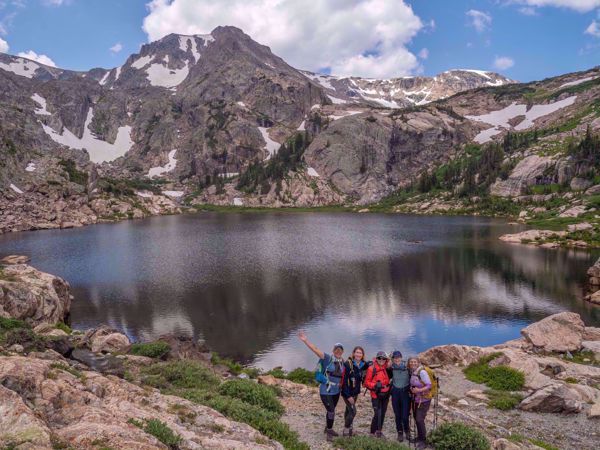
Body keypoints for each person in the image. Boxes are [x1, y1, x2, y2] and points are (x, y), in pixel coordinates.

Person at [298, 331, 346, 440]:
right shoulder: (327, 358)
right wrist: (305, 341)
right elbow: (315, 349)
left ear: (342, 352)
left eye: (340, 350)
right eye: (336, 349)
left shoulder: (342, 361)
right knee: (331, 411)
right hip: (326, 390)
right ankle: (329, 431)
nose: (338, 351)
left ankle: (328, 427)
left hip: (336, 391)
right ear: (333, 351)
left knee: (331, 411)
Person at [341, 346, 369, 437]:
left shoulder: (363, 364)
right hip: (347, 392)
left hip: (355, 392)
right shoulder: (347, 364)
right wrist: (348, 396)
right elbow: (344, 382)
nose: (358, 354)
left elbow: (371, 366)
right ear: (353, 353)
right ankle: (346, 429)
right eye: (357, 352)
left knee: (348, 410)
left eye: (360, 353)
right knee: (353, 411)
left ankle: (349, 427)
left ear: (362, 355)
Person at [364, 350, 391, 438]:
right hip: (376, 395)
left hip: (386, 394)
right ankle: (372, 432)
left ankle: (379, 431)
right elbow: (366, 383)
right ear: (376, 358)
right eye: (379, 358)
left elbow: (391, 362)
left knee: (383, 413)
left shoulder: (385, 367)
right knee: (377, 414)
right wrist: (375, 385)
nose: (381, 360)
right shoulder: (371, 369)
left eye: (383, 358)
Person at [409, 356, 432, 449]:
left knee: (419, 419)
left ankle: (423, 441)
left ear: (418, 363)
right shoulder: (413, 372)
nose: (413, 363)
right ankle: (419, 437)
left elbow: (429, 385)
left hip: (424, 400)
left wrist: (418, 390)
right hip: (416, 400)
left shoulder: (422, 372)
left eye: (414, 362)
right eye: (411, 362)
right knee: (416, 418)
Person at [388, 350, 411, 442]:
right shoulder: (391, 368)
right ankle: (400, 432)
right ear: (393, 359)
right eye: (395, 358)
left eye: (398, 357)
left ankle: (407, 430)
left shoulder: (407, 367)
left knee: (405, 415)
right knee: (397, 414)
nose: (397, 359)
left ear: (401, 358)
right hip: (395, 393)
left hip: (405, 392)